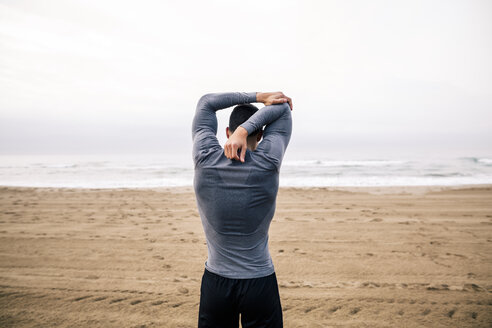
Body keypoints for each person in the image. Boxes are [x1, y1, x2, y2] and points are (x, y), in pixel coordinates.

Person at [192, 91, 293, 328]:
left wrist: (258, 95)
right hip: (259, 283)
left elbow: (206, 103)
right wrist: (244, 131)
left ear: (226, 132)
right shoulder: (269, 161)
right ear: (261, 134)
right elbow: (284, 108)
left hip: (216, 284)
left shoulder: (204, 157)